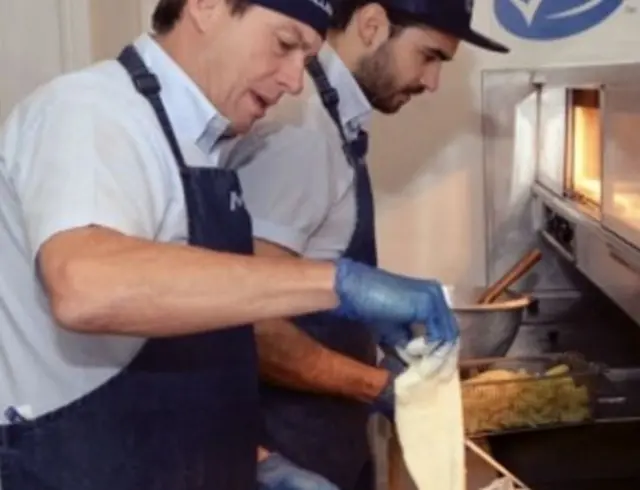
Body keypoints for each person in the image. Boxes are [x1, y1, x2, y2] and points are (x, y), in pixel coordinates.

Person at [0, 0, 460, 489]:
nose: (294, 81)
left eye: (305, 59)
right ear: (206, 6)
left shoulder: (202, 146)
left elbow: (174, 340)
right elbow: (84, 286)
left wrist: (257, 461)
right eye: (284, 45)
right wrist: (338, 284)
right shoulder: (92, 113)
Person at [225, 0, 510, 489]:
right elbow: (251, 320)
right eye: (429, 56)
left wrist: (366, 319)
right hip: (289, 438)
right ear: (373, 24)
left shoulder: (335, 120)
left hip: (329, 433)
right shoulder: (303, 134)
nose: (432, 81)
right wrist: (378, 387)